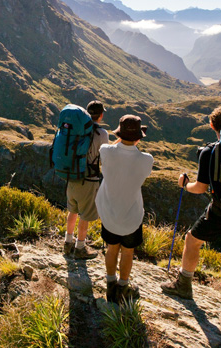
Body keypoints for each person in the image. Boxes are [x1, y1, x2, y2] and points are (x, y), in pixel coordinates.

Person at [160, 105, 221, 308]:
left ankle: (183, 284)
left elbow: (200, 188)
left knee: (192, 240)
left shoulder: (210, 151)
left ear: (211, 125)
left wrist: (184, 185)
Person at [95, 114, 153, 304]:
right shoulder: (146, 159)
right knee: (128, 251)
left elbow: (112, 148)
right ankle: (123, 286)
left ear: (119, 134)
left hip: (109, 213)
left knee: (112, 249)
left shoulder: (106, 151)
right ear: (138, 137)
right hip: (131, 215)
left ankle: (110, 283)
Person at [63, 101, 110, 259]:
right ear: (101, 115)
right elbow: (105, 158)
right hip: (89, 180)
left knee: (73, 210)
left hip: (72, 176)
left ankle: (68, 243)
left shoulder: (76, 129)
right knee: (85, 214)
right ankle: (80, 248)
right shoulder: (102, 134)